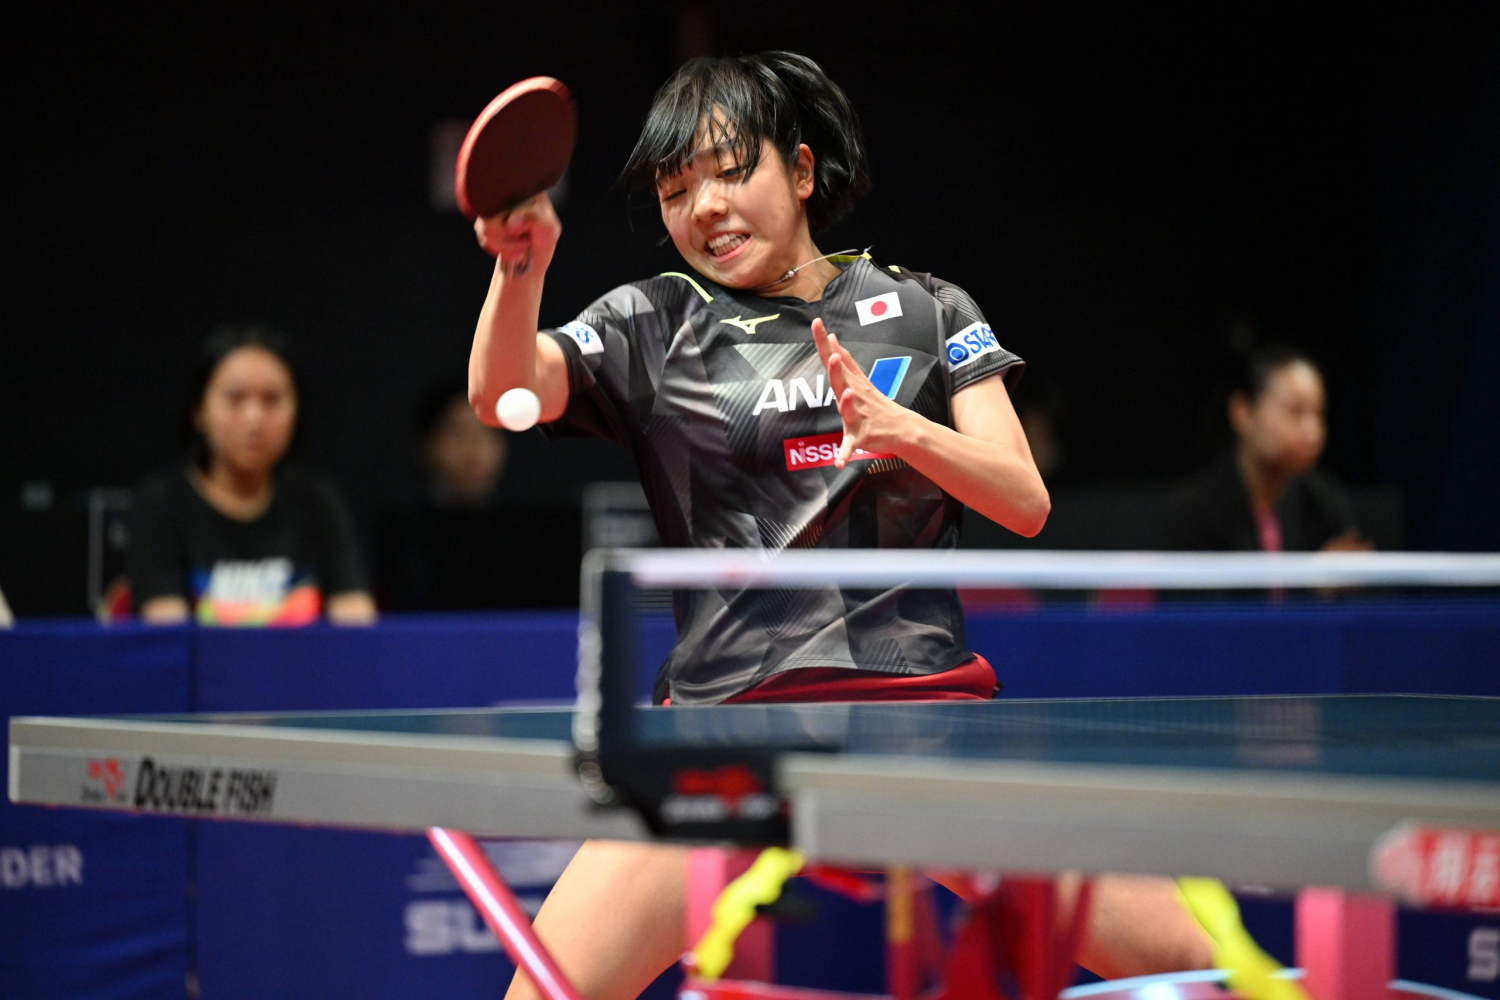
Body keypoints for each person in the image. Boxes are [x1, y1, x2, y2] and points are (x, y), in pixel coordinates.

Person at [469, 52, 1210, 997]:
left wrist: (903, 430)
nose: (704, 208)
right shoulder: (653, 321)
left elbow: (1024, 500)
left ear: (802, 170)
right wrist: (520, 266)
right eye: (676, 189)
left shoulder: (927, 309)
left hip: (923, 722)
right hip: (722, 739)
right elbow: (503, 396)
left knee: (1195, 962)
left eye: (731, 171)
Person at [127, 325, 376, 626]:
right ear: (199, 411)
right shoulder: (161, 502)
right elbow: (167, 631)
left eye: (272, 399)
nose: (254, 418)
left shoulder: (317, 499)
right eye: (235, 398)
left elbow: (355, 619)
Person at [379, 380, 581, 609]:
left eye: (486, 432)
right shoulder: (405, 529)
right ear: (427, 444)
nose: (473, 448)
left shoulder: (526, 531)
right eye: (457, 433)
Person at [1171, 346, 1369, 553]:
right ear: (1242, 412)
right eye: (1295, 412)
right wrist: (1312, 572)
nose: (1313, 433)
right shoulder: (1195, 514)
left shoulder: (1322, 503)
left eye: (1318, 414)